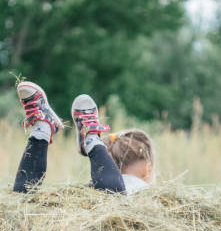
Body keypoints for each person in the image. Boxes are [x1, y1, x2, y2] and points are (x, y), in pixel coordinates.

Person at [13, 81, 156, 195]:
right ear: (147, 168)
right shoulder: (148, 194)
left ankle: (43, 129)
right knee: (116, 196)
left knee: (22, 198)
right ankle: (91, 139)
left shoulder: (90, 191)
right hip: (118, 204)